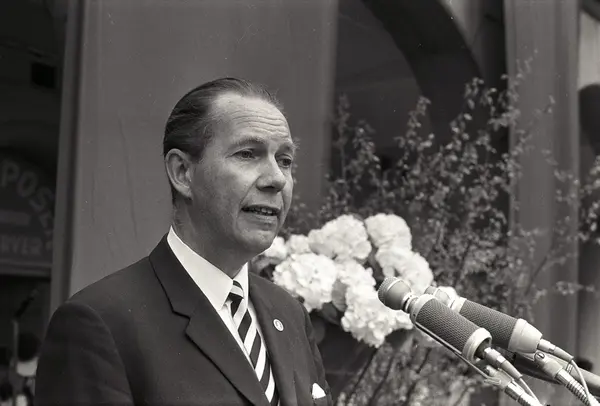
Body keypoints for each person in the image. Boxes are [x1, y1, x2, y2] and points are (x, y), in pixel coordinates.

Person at [34, 77, 332, 406]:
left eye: (285, 160)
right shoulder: (102, 323)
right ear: (182, 173)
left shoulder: (289, 313)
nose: (276, 178)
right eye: (248, 154)